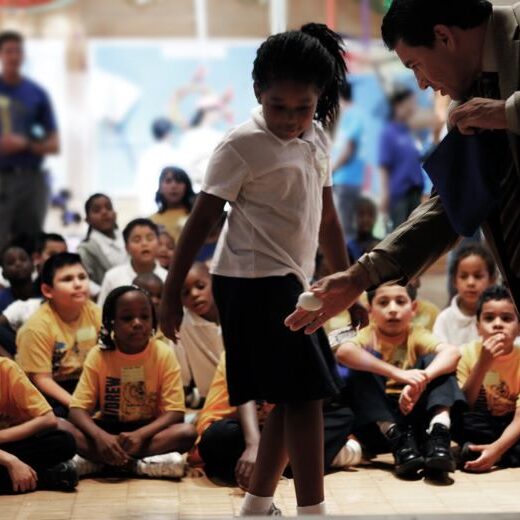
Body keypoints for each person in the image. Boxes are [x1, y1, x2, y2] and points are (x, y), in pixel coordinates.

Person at [160, 23, 359, 517]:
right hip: (248, 282)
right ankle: (313, 509)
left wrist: (350, 281)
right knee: (308, 396)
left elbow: (328, 218)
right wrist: (168, 294)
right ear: (257, 94)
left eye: (303, 108)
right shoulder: (241, 144)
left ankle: (256, 505)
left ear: (318, 101)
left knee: (296, 398)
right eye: (278, 107)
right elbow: (201, 221)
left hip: (292, 280)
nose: (290, 120)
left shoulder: (314, 139)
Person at [285, 0, 520, 343]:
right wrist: (359, 276)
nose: (422, 83)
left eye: (416, 66)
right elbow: (449, 207)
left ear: (443, 36)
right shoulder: (469, 100)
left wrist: (509, 113)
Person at [66, 286, 196, 479]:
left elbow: (175, 413)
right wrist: (101, 438)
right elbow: (76, 411)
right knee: (60, 428)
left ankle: (102, 463)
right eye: (127, 318)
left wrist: (141, 435)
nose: (137, 323)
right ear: (111, 323)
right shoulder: (99, 355)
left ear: (153, 321)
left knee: (187, 432)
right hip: (107, 430)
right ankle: (136, 465)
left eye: (144, 317)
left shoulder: (163, 353)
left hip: (148, 432)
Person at [336, 284, 464, 477]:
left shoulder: (416, 333)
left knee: (437, 363)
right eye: (383, 302)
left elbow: (452, 353)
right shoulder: (368, 334)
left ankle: (439, 432)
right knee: (360, 365)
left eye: (400, 302)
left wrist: (423, 379)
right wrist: (400, 374)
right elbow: (344, 353)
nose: (393, 309)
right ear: (370, 310)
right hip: (378, 426)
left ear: (413, 309)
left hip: (415, 419)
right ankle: (397, 438)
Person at [195, 352, 358, 489]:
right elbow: (245, 397)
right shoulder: (238, 349)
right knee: (219, 435)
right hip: (240, 433)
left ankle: (270, 466)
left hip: (279, 432)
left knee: (343, 414)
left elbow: (312, 401)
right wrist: (254, 444)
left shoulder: (299, 349)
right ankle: (307, 460)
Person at [16, 253, 101, 417]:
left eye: (82, 277)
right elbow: (41, 380)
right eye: (67, 279)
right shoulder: (36, 327)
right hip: (48, 391)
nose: (78, 284)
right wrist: (78, 406)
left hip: (85, 382)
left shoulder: (94, 311)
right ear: (48, 290)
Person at [0, 31, 59, 253]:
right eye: (8, 51)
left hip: (31, 179)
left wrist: (24, 144)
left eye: (18, 51)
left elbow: (54, 143)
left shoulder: (36, 94)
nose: (14, 56)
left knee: (31, 244)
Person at [456, 285, 520, 472]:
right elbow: (464, 404)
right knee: (462, 420)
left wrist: (498, 449)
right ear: (478, 327)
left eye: (507, 318)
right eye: (489, 318)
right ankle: (496, 452)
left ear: (518, 328)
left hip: (511, 426)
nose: (498, 324)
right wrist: (483, 362)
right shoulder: (466, 353)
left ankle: (492, 452)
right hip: (479, 422)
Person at [0, 357, 77, 493]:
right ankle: (48, 476)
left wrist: (2, 437)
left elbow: (48, 419)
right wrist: (10, 461)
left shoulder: (6, 368)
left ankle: (29, 475)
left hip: (10, 443)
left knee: (64, 441)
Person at [379, 87, 424, 231]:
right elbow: (384, 166)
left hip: (415, 192)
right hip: (399, 194)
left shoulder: (408, 132)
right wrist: (385, 194)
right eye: (409, 103)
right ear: (397, 106)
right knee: (400, 234)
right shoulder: (388, 133)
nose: (412, 108)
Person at [434, 243, 496, 345]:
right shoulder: (444, 319)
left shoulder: (501, 317)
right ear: (454, 281)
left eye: (478, 276)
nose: (470, 283)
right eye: (463, 276)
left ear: (492, 280)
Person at [178, 262, 223, 401]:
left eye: (200, 286)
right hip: (213, 400)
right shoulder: (181, 326)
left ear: (213, 281)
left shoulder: (234, 308)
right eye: (185, 293)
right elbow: (182, 378)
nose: (194, 294)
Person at [97, 218, 167, 307]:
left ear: (158, 243)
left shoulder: (168, 278)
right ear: (127, 247)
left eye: (150, 238)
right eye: (137, 240)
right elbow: (101, 313)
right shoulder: (112, 277)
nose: (144, 244)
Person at [331, 80, 366, 240]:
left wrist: (330, 170)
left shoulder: (354, 114)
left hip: (347, 181)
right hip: (345, 180)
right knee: (344, 225)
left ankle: (347, 264)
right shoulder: (349, 115)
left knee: (344, 228)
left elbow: (348, 150)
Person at [77, 193, 127, 288]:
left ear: (115, 214)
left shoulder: (128, 238)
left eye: (109, 208)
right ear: (88, 220)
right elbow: (85, 281)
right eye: (96, 210)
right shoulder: (85, 249)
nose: (104, 212)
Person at [150, 167, 196, 243]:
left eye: (179, 181)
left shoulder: (196, 216)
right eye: (168, 181)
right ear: (160, 188)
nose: (174, 186)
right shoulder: (151, 222)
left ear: (187, 187)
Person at [0, 246, 36, 313]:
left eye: (23, 259)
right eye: (11, 262)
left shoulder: (46, 293)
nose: (18, 264)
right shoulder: (1, 299)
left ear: (33, 266)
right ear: (4, 274)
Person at [346, 197, 379, 264]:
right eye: (361, 214)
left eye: (370, 215)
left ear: (375, 218)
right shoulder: (348, 248)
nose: (365, 219)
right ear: (354, 218)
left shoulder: (380, 246)